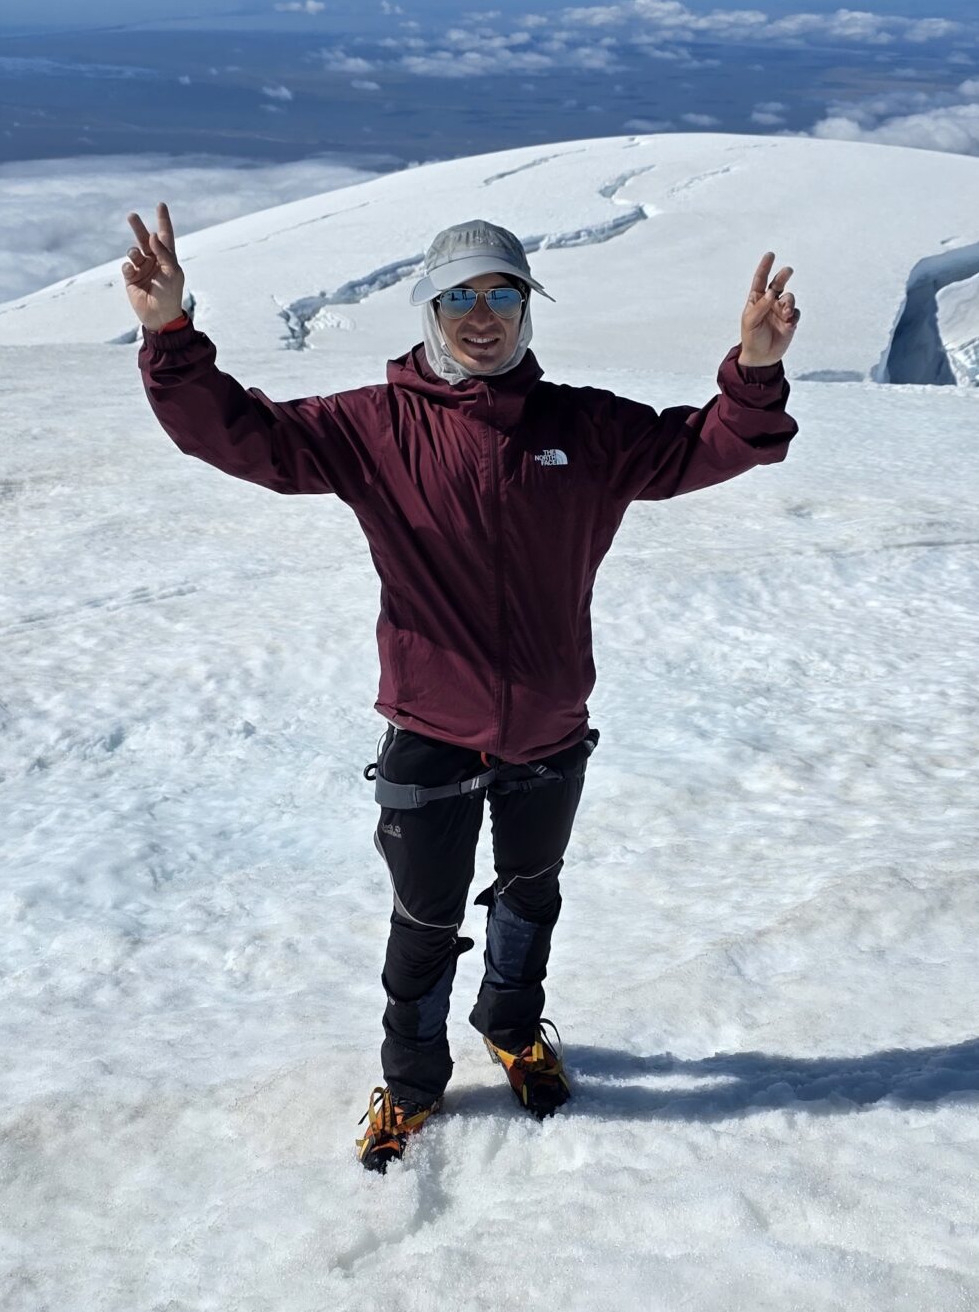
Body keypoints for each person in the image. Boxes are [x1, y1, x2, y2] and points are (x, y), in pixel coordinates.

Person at [121, 204, 798, 1171]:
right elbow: (239, 436)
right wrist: (170, 335)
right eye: (460, 298)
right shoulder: (376, 426)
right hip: (431, 725)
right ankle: (410, 1082)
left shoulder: (583, 428)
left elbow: (707, 445)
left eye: (501, 295)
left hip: (550, 725)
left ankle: (514, 1030)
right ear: (428, 310)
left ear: (526, 309)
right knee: (425, 918)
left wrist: (756, 369)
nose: (482, 315)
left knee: (531, 892)